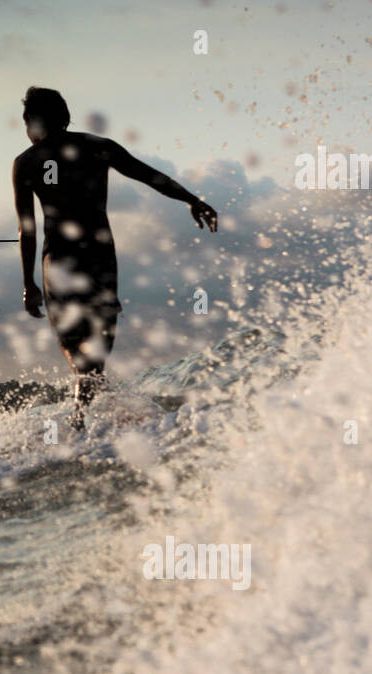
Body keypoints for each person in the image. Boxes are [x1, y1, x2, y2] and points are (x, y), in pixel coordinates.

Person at [12, 86, 218, 429]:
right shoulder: (98, 147)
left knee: (77, 352)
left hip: (58, 261)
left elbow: (27, 229)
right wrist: (191, 199)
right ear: (64, 117)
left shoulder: (27, 163)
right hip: (98, 257)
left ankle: (79, 424)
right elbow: (150, 175)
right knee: (97, 357)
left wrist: (27, 284)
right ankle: (96, 419)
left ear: (31, 123)